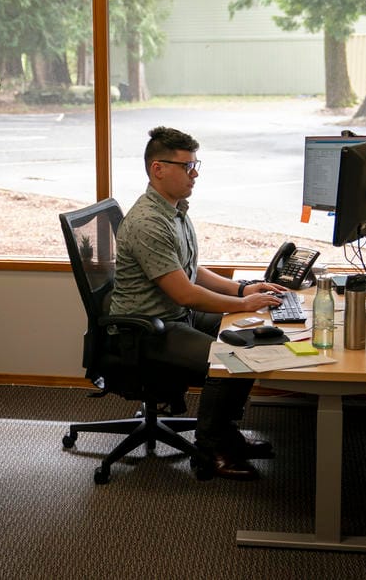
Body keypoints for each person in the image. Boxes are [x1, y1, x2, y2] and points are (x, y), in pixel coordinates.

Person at [109, 126, 287, 480]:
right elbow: (185, 292)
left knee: (252, 338)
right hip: (147, 329)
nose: (195, 173)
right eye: (187, 166)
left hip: (176, 316)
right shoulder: (148, 222)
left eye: (195, 164)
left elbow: (192, 270)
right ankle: (212, 449)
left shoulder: (174, 210)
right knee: (228, 358)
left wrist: (242, 290)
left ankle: (226, 433)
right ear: (158, 169)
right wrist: (244, 305)